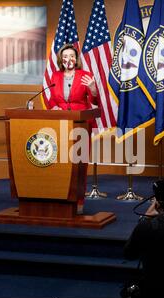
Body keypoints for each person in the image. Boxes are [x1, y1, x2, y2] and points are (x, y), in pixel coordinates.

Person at [46, 43, 98, 213]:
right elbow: (52, 99)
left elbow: (95, 102)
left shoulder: (86, 75)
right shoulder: (55, 76)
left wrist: (93, 88)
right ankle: (60, 198)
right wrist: (54, 107)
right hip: (59, 124)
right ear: (61, 59)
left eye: (72, 56)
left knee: (79, 164)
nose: (69, 59)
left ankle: (79, 201)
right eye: (66, 56)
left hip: (80, 124)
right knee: (60, 162)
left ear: (76, 59)